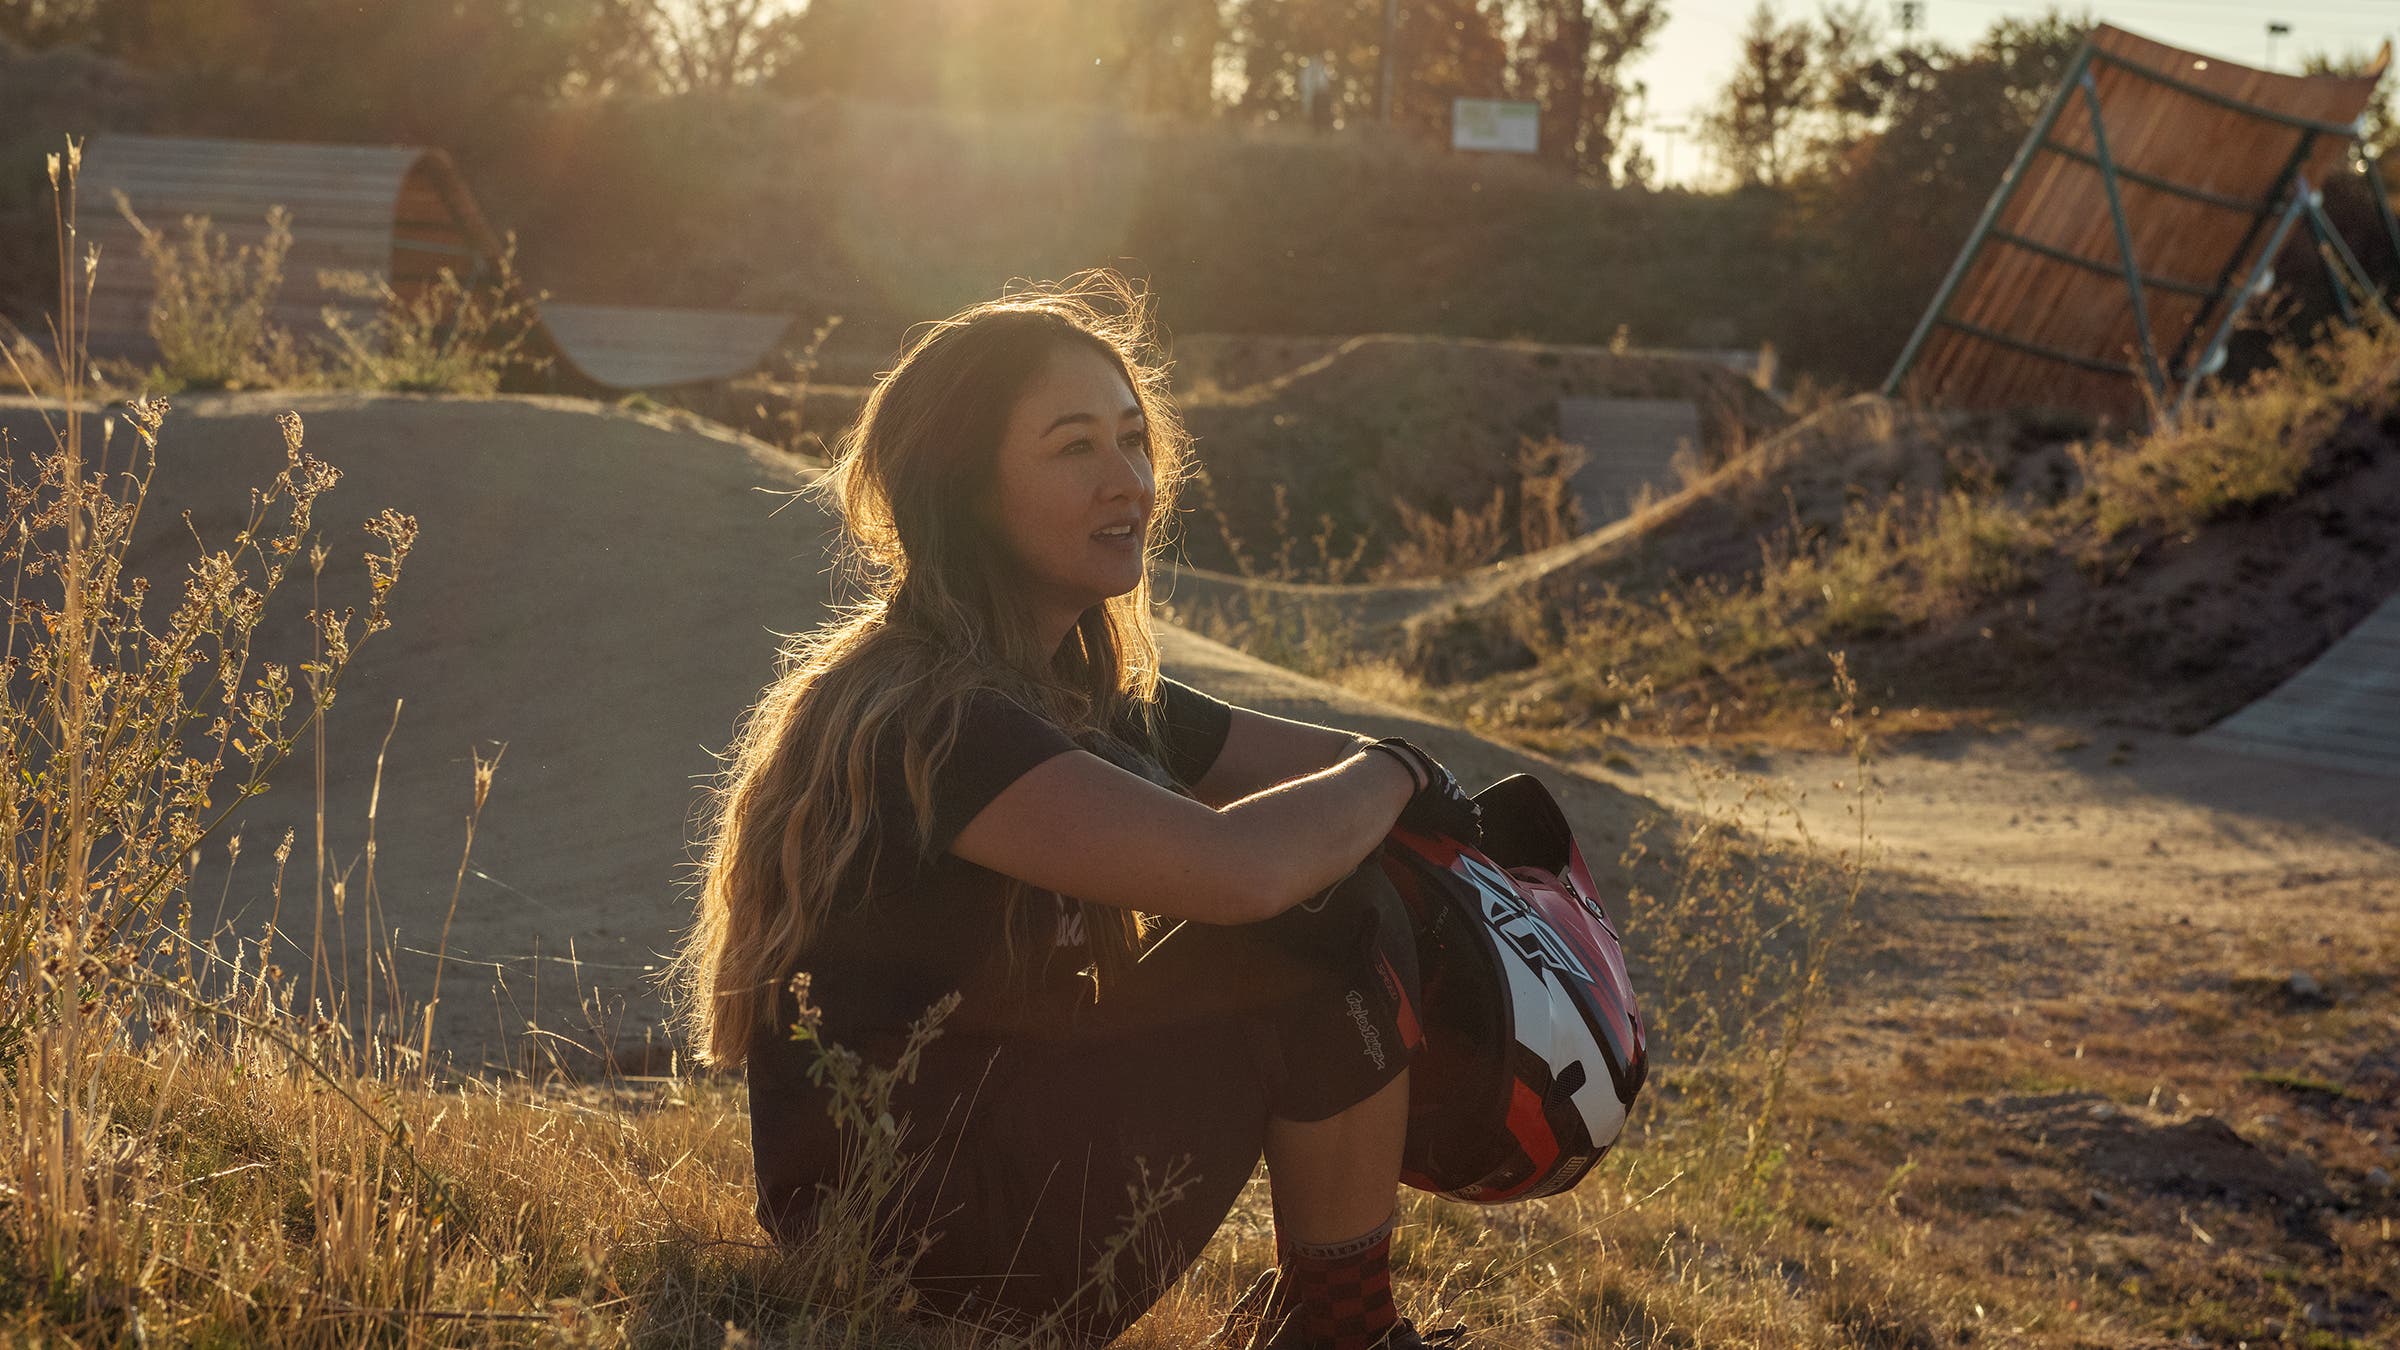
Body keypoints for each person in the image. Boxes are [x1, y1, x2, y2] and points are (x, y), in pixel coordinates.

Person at [670, 269, 1481, 1348]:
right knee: (1322, 923)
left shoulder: (1073, 687)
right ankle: (1345, 1333)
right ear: (965, 490)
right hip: (927, 1246)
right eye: (1073, 448)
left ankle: (1333, 1319)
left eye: (1134, 440)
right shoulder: (933, 718)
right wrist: (1400, 775)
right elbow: (1248, 869)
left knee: (1343, 870)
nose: (1129, 482)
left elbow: (1316, 771)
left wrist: (1409, 793)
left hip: (987, 1185)